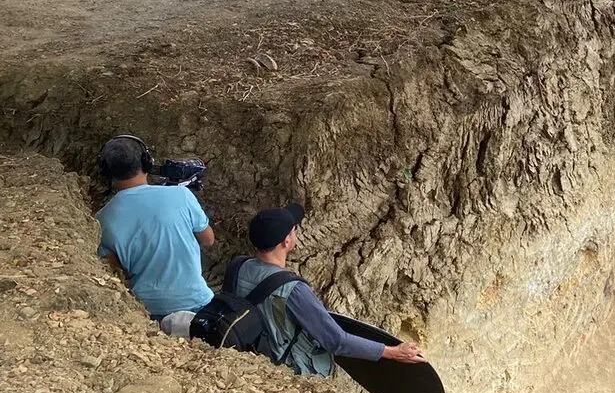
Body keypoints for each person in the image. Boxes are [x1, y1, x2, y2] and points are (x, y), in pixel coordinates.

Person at [222, 202, 426, 376]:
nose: (295, 232)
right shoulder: (292, 290)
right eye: (294, 230)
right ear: (287, 241)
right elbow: (336, 341)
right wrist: (392, 352)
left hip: (246, 350)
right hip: (283, 368)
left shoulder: (238, 265)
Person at [96, 135, 216, 322]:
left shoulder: (101, 220)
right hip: (197, 303)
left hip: (147, 310)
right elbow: (208, 239)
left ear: (105, 171)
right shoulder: (181, 195)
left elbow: (114, 271)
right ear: (147, 162)